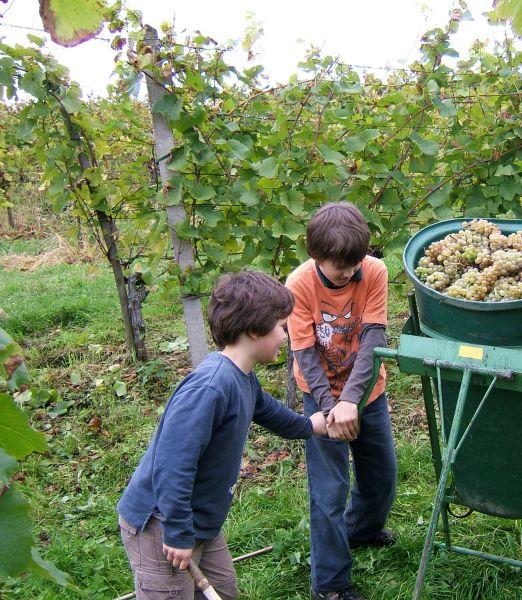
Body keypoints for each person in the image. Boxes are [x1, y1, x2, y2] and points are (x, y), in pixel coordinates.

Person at [117, 270, 327, 599]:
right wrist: (178, 532)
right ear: (255, 330)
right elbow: (172, 464)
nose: (284, 336)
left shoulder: (242, 376)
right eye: (280, 327)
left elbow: (269, 411)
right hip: (162, 524)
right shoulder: (210, 387)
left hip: (201, 521)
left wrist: (310, 426)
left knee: (223, 591)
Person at [286, 201, 398, 600]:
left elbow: (373, 338)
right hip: (320, 398)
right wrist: (331, 408)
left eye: (355, 264)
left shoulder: (375, 271)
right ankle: (330, 584)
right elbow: (304, 353)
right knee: (328, 491)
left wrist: (353, 399)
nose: (349, 272)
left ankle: (362, 531)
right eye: (340, 267)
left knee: (381, 475)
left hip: (368, 394)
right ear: (315, 255)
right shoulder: (299, 285)